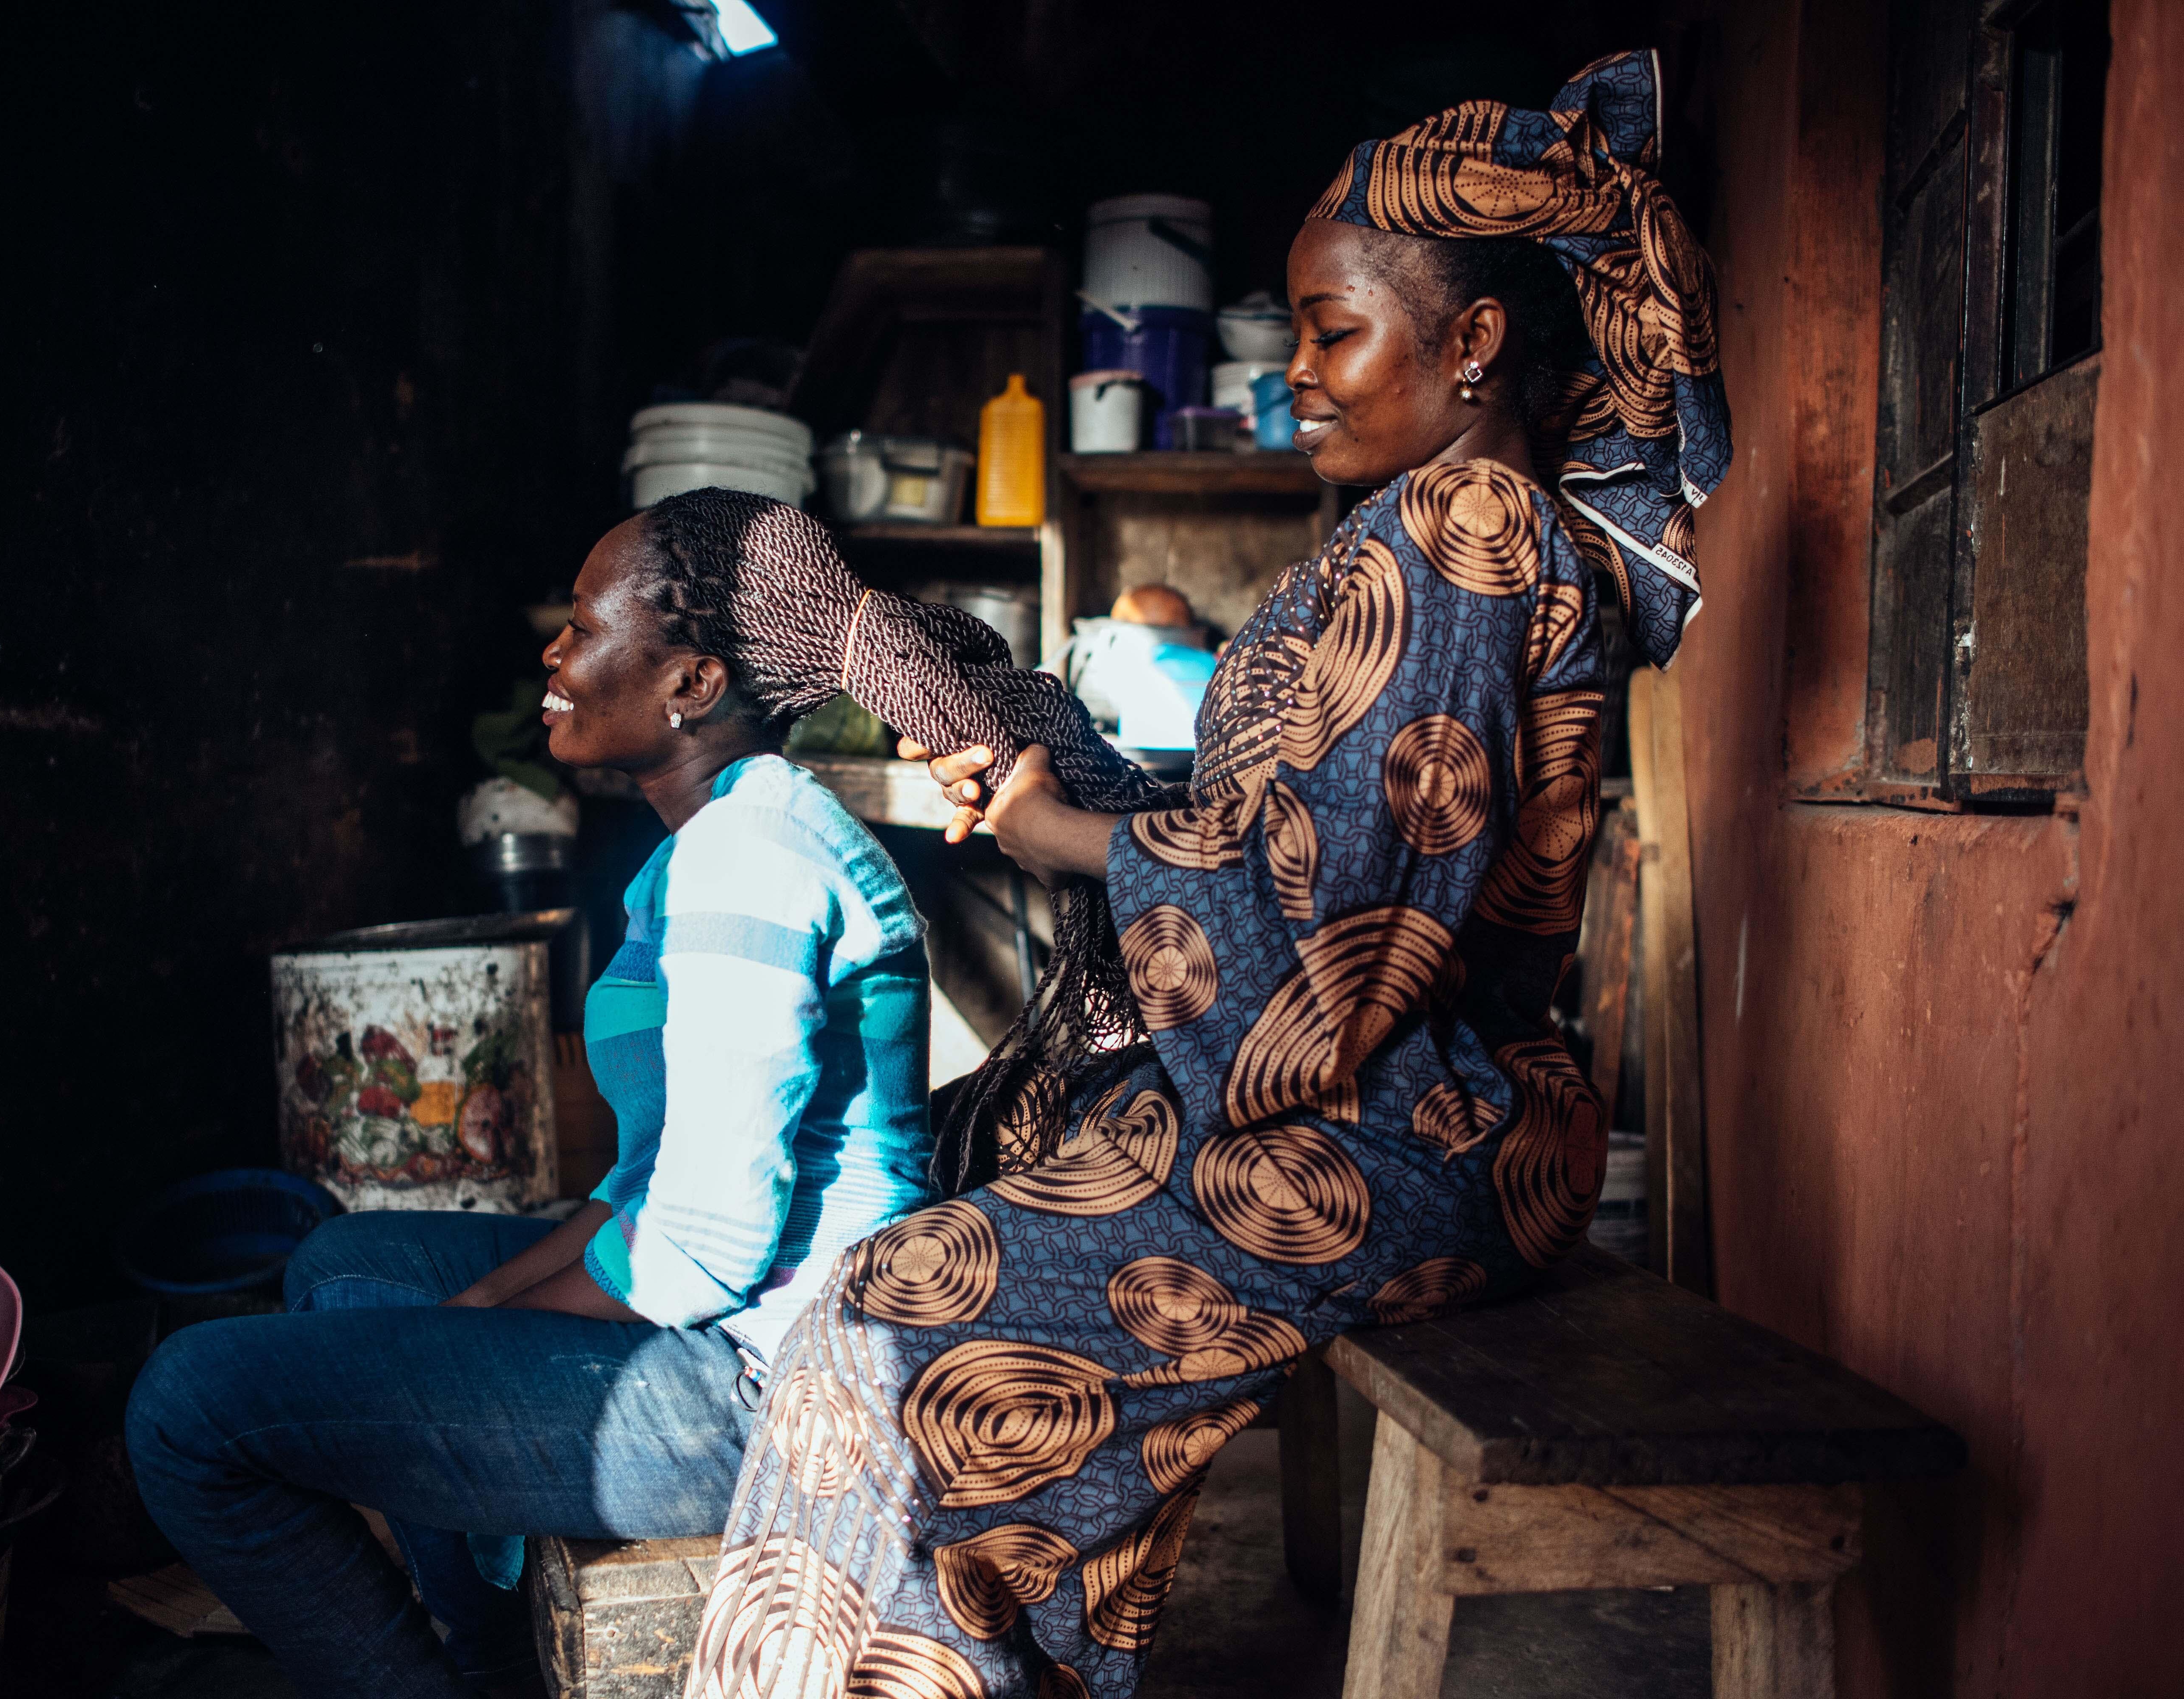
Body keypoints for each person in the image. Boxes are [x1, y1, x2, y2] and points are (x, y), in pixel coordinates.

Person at [682, 49, 1728, 1699]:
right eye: (1297, 327)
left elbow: (1339, 939)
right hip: (1382, 1108)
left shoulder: (1465, 525)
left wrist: (1064, 832)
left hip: (1418, 1116)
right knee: (903, 1318)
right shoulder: (1424, 530)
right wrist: (1035, 743)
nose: (1300, 371)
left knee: (889, 1338)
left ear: (1469, 345)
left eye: (1334, 328)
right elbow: (1284, 821)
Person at [126, 489, 941, 1698]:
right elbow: (652, 1183)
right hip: (723, 1319)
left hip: (767, 1390)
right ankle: (495, 1656)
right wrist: (486, 1300)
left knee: (187, 1408)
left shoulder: (754, 859)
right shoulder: (709, 844)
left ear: (693, 683)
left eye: (583, 626)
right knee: (343, 1270)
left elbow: (701, 1252)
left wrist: (488, 1326)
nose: (554, 657)